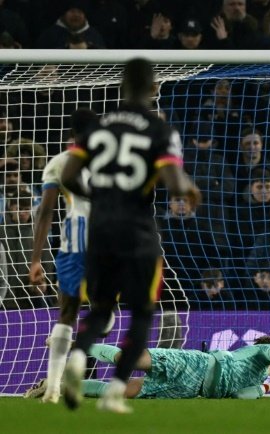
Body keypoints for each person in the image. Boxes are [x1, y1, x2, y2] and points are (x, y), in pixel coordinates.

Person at [59, 58, 202, 414]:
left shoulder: (98, 127)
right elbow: (172, 182)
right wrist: (189, 188)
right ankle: (115, 390)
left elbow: (70, 175)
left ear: (121, 85)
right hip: (138, 234)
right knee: (141, 312)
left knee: (100, 309)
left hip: (101, 231)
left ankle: (77, 358)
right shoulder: (159, 129)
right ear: (153, 88)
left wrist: (98, 196)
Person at [24, 108, 98, 404]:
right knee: (98, 313)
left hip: (71, 245)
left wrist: (35, 259)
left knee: (66, 313)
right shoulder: (110, 161)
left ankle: (53, 389)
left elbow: (45, 214)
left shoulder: (57, 162)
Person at [42, 336, 270, 399]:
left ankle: (56, 386)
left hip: (187, 389)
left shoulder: (257, 380)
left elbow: (239, 396)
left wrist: (268, 386)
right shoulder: (260, 352)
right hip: (195, 364)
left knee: (119, 391)